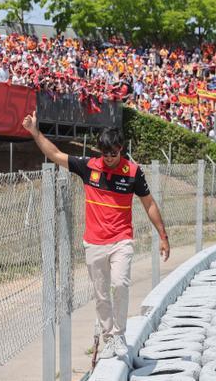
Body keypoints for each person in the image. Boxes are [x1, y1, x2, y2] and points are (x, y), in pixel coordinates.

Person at [21, 111, 170, 359]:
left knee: (120, 284)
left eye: (114, 153)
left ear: (121, 149)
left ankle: (119, 335)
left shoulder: (133, 172)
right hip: (94, 242)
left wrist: (163, 236)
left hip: (122, 239)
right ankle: (109, 336)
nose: (109, 158)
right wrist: (35, 132)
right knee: (101, 295)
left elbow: (149, 204)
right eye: (105, 153)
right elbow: (56, 155)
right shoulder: (89, 166)